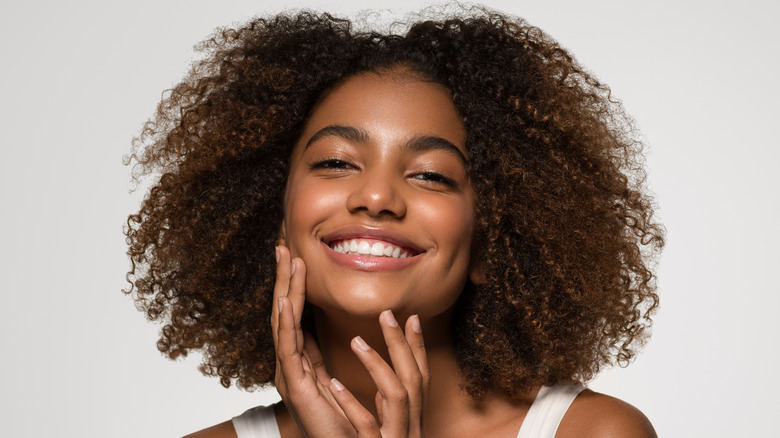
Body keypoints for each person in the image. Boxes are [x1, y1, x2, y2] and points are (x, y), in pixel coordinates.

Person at [124, 5, 664, 437]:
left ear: (488, 242)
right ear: (275, 220)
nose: (378, 196)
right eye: (336, 163)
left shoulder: (593, 433)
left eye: (431, 175)